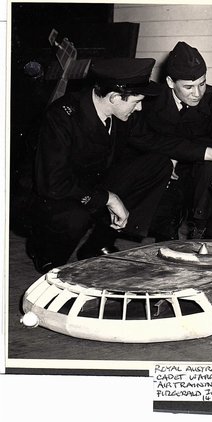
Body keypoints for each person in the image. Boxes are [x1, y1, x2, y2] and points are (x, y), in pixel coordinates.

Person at [27, 57, 173, 274]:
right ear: (114, 97)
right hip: (53, 194)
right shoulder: (62, 116)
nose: (140, 108)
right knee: (77, 216)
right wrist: (109, 198)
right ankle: (45, 252)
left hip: (92, 185)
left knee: (158, 163)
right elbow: (54, 183)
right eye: (136, 101)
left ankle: (97, 245)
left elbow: (155, 141)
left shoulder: (121, 113)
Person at [136, 41, 212, 240]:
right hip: (165, 171)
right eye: (188, 87)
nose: (197, 93)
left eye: (202, 83)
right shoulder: (151, 101)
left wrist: (178, 152)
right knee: (164, 225)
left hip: (198, 169)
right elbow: (145, 141)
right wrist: (170, 155)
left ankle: (200, 228)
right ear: (170, 82)